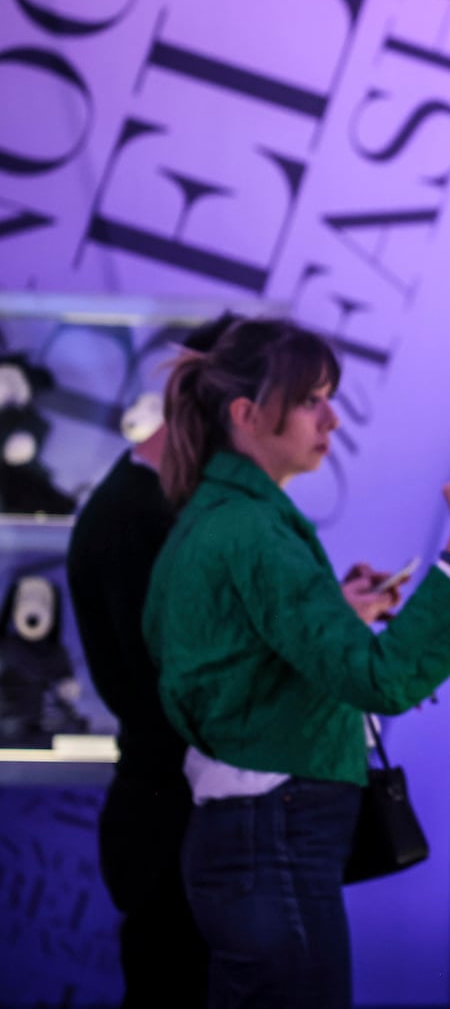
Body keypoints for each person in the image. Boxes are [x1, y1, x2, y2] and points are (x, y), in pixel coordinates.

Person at [141, 317, 450, 1009]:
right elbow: (384, 679)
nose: (333, 419)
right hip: (268, 837)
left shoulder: (219, 514)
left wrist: (336, 613)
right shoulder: (251, 528)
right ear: (249, 415)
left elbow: (228, 663)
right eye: (312, 399)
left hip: (251, 835)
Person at [67, 314, 239, 1008]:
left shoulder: (160, 506)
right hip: (169, 827)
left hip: (174, 821)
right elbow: (174, 688)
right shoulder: (132, 519)